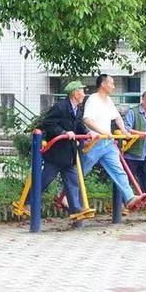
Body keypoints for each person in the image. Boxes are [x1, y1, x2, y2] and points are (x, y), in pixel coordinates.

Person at [80, 74, 146, 210]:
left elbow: (118, 117)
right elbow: (87, 120)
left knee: (119, 170)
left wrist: (125, 131)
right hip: (95, 142)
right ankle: (64, 195)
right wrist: (103, 132)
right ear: (103, 84)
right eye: (111, 83)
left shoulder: (108, 100)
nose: (114, 86)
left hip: (107, 143)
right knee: (81, 170)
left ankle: (130, 197)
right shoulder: (93, 99)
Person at [32, 81, 95, 227]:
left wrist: (87, 133)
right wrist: (63, 132)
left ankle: (76, 213)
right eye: (82, 91)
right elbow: (48, 123)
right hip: (56, 154)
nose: (84, 94)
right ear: (75, 93)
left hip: (69, 154)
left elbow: (79, 126)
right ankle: (29, 202)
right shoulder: (60, 107)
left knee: (73, 184)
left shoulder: (77, 110)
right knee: (44, 181)